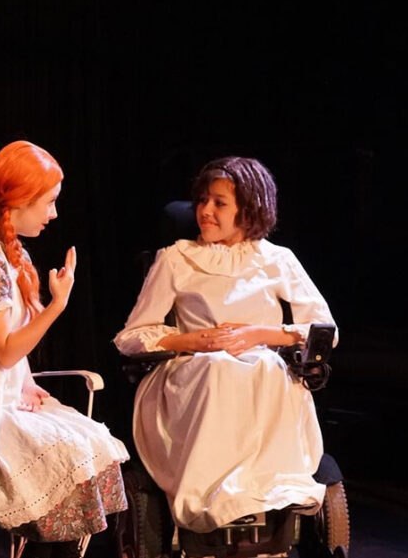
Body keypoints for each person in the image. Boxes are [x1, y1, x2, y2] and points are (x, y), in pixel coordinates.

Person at [0, 140, 128, 557]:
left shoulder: (6, 248)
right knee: (64, 454)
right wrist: (57, 306)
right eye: (48, 202)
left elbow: (14, 350)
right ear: (21, 200)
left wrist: (26, 382)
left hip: (2, 388)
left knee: (91, 442)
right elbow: (2, 351)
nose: (53, 213)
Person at [114, 156, 338, 533]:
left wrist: (259, 334)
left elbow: (323, 329)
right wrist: (194, 340)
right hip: (193, 370)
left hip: (260, 367)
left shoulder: (277, 260)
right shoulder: (176, 258)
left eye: (219, 203)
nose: (205, 211)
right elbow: (132, 336)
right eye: (203, 200)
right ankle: (213, 500)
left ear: (249, 210)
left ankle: (263, 496)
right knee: (219, 367)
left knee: (267, 367)